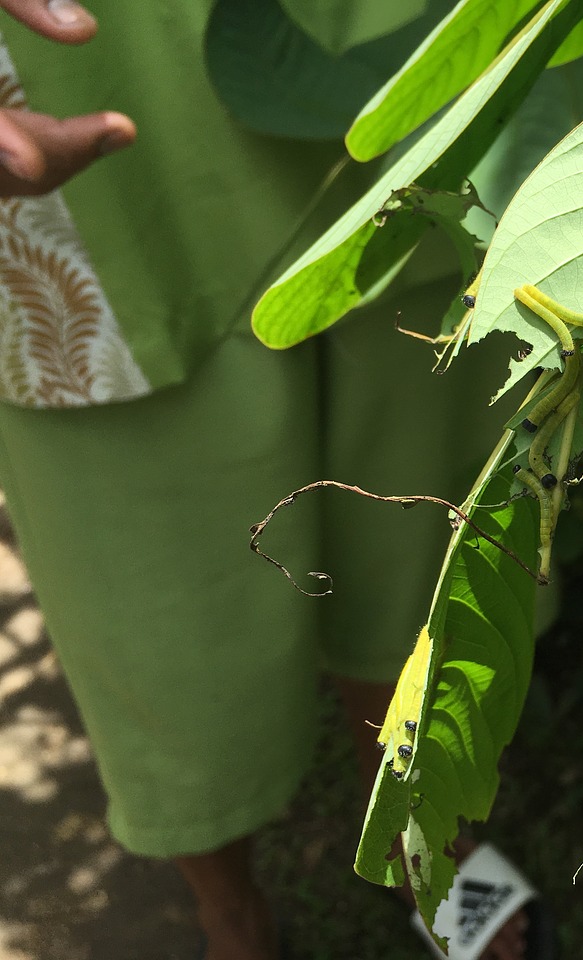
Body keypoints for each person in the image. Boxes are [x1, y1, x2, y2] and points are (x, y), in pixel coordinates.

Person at [0, 2, 529, 957]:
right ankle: (228, 906)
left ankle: (437, 842)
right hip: (81, 114)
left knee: (423, 557)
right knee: (163, 630)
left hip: (387, 52)